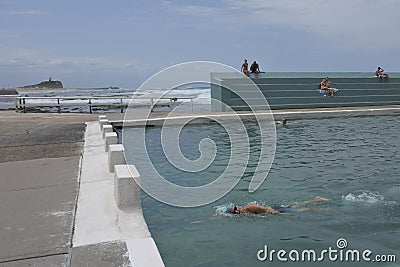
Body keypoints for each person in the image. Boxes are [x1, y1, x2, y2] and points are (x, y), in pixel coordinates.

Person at [227, 196, 330, 215]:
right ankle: (316, 200)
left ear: (237, 206)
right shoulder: (244, 212)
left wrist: (274, 212)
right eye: (234, 211)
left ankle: (320, 209)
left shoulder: (248, 207)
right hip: (273, 210)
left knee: (298, 211)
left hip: (274, 210)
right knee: (295, 206)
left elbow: (263, 209)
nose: (236, 211)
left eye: (235, 208)